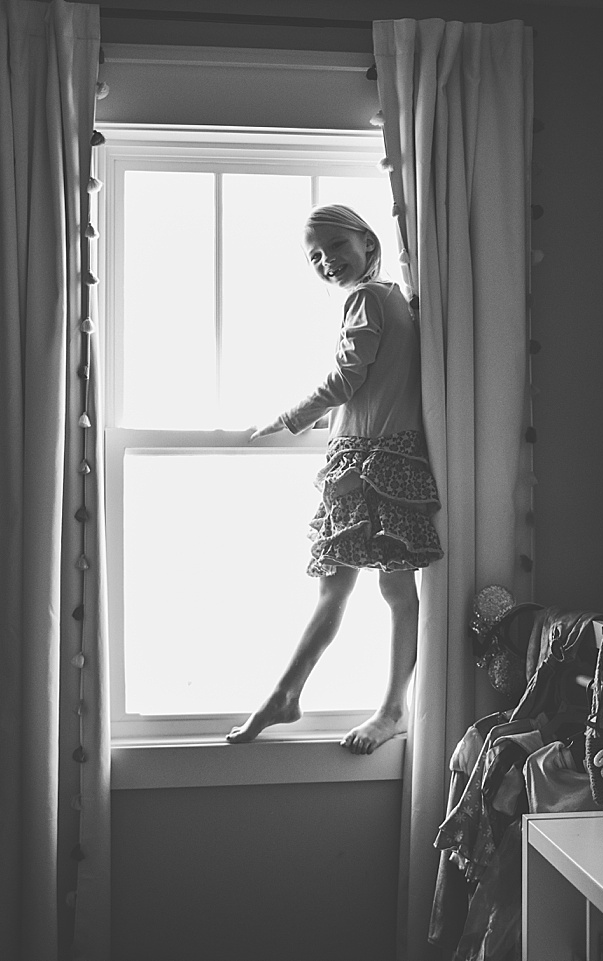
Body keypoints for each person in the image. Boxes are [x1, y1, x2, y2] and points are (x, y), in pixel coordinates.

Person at [226, 204, 443, 755]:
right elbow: (372, 384)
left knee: (383, 588)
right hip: (371, 456)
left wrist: (289, 416)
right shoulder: (392, 299)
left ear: (367, 242)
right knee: (358, 587)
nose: (326, 261)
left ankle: (387, 707)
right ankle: (288, 693)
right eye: (315, 256)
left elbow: (348, 376)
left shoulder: (367, 297)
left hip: (374, 462)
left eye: (335, 246)